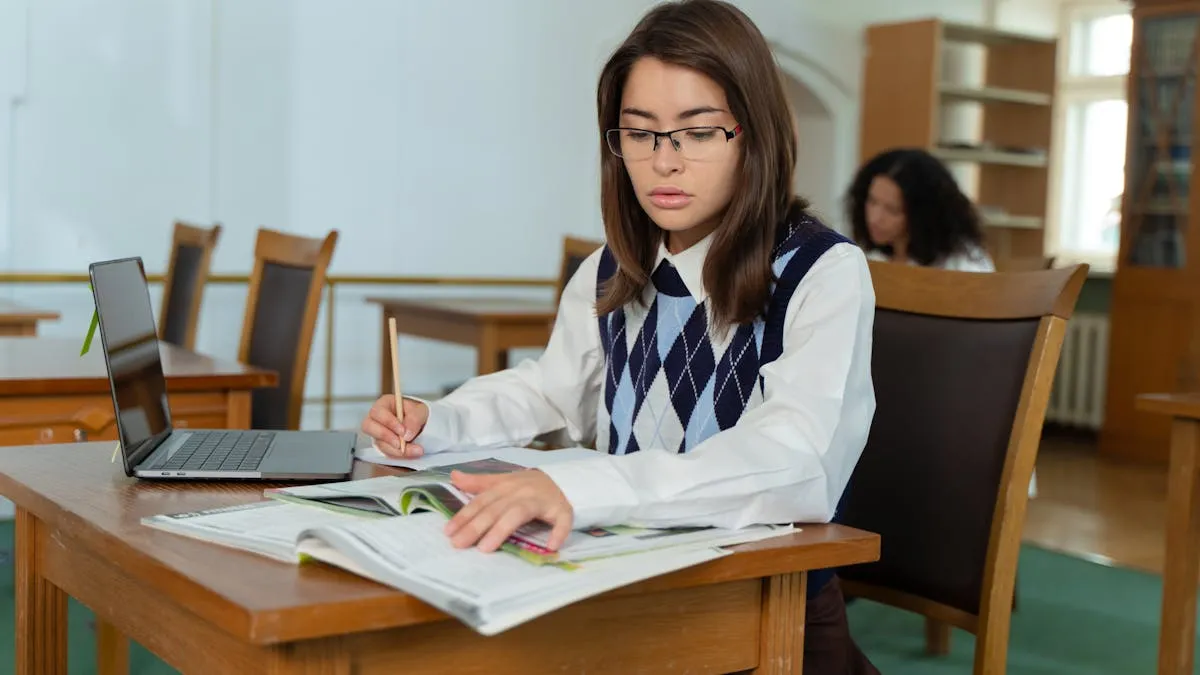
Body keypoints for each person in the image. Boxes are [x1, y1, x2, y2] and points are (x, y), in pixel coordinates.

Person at [362, 1, 879, 671]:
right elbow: (551, 392)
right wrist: (440, 418)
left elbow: (792, 461)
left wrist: (587, 488)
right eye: (640, 133)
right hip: (623, 578)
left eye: (697, 133)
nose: (664, 162)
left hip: (764, 605)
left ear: (751, 136)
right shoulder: (611, 269)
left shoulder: (823, 273)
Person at [847, 147, 995, 272]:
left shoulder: (962, 265)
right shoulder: (871, 259)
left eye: (893, 210)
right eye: (872, 201)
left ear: (922, 215)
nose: (875, 218)